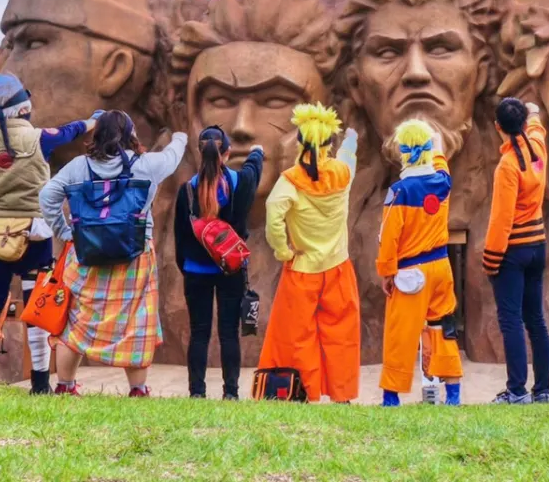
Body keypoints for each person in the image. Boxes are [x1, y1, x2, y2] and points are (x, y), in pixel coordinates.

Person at [39, 111, 187, 397]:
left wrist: (65, 231)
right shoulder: (146, 165)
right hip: (135, 255)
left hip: (87, 253)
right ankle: (138, 390)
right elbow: (171, 157)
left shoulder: (79, 166)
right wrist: (180, 136)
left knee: (77, 319)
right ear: (130, 134)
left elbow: (47, 196)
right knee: (136, 320)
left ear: (97, 135)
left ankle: (65, 385)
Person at [0, 74, 98, 395]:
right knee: (37, 305)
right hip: (35, 234)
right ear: (24, 109)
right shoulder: (39, 138)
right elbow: (69, 131)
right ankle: (40, 382)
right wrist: (93, 121)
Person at [258, 102, 361, 403]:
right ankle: (342, 395)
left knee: (298, 336)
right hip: (338, 267)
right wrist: (351, 138)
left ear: (300, 142)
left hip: (302, 269)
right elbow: (348, 155)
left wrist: (282, 250)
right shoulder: (343, 172)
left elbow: (273, 214)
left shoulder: (290, 180)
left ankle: (306, 392)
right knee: (341, 333)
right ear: (329, 144)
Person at [173, 125, 264, 400]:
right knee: (229, 333)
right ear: (227, 152)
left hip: (195, 271)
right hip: (231, 269)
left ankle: (197, 393)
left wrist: (186, 266)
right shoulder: (240, 183)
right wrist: (257, 152)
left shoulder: (187, 191)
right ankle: (231, 393)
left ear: (200, 153)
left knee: (199, 333)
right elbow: (253, 168)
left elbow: (180, 236)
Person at [377, 119, 463, 407]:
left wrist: (386, 272)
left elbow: (389, 237)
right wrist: (436, 145)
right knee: (443, 328)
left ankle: (391, 396)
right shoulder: (443, 182)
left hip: (411, 273)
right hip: (441, 267)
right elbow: (441, 162)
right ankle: (453, 393)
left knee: (400, 334)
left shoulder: (399, 191)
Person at [484, 97, 549, 405]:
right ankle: (543, 390)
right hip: (537, 246)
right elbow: (537, 126)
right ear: (523, 123)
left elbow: (502, 218)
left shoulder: (507, 166)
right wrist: (532, 110)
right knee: (536, 318)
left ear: (498, 127)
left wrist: (491, 258)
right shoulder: (537, 146)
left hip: (513, 250)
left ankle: (517, 390)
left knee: (511, 319)